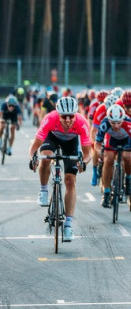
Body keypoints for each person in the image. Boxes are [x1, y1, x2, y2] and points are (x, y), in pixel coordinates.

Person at [29, 97, 92, 242]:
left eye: (72, 116)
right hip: (52, 138)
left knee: (70, 181)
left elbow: (89, 153)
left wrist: (84, 162)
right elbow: (34, 147)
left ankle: (68, 225)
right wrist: (33, 158)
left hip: (71, 142)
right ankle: (44, 190)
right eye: (64, 116)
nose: (69, 119)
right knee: (46, 157)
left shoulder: (82, 123)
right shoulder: (49, 119)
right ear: (58, 115)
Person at [95, 105, 131, 208]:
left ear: (123, 120)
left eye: (119, 122)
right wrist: (99, 152)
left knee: (127, 157)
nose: (117, 126)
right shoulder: (104, 123)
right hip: (111, 139)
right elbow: (97, 143)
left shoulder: (129, 124)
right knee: (108, 159)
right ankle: (106, 193)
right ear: (109, 120)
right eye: (113, 123)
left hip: (127, 140)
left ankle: (128, 178)